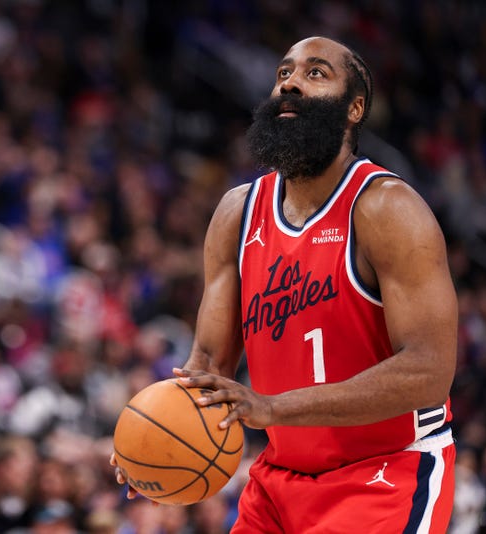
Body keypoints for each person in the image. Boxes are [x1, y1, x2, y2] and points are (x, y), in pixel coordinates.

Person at [112, 36, 457, 533]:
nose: (291, 82)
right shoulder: (237, 212)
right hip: (280, 480)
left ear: (354, 108)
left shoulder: (387, 209)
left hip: (385, 473)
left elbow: (429, 372)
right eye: (284, 73)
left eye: (316, 73)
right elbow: (207, 368)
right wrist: (150, 442)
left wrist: (272, 408)